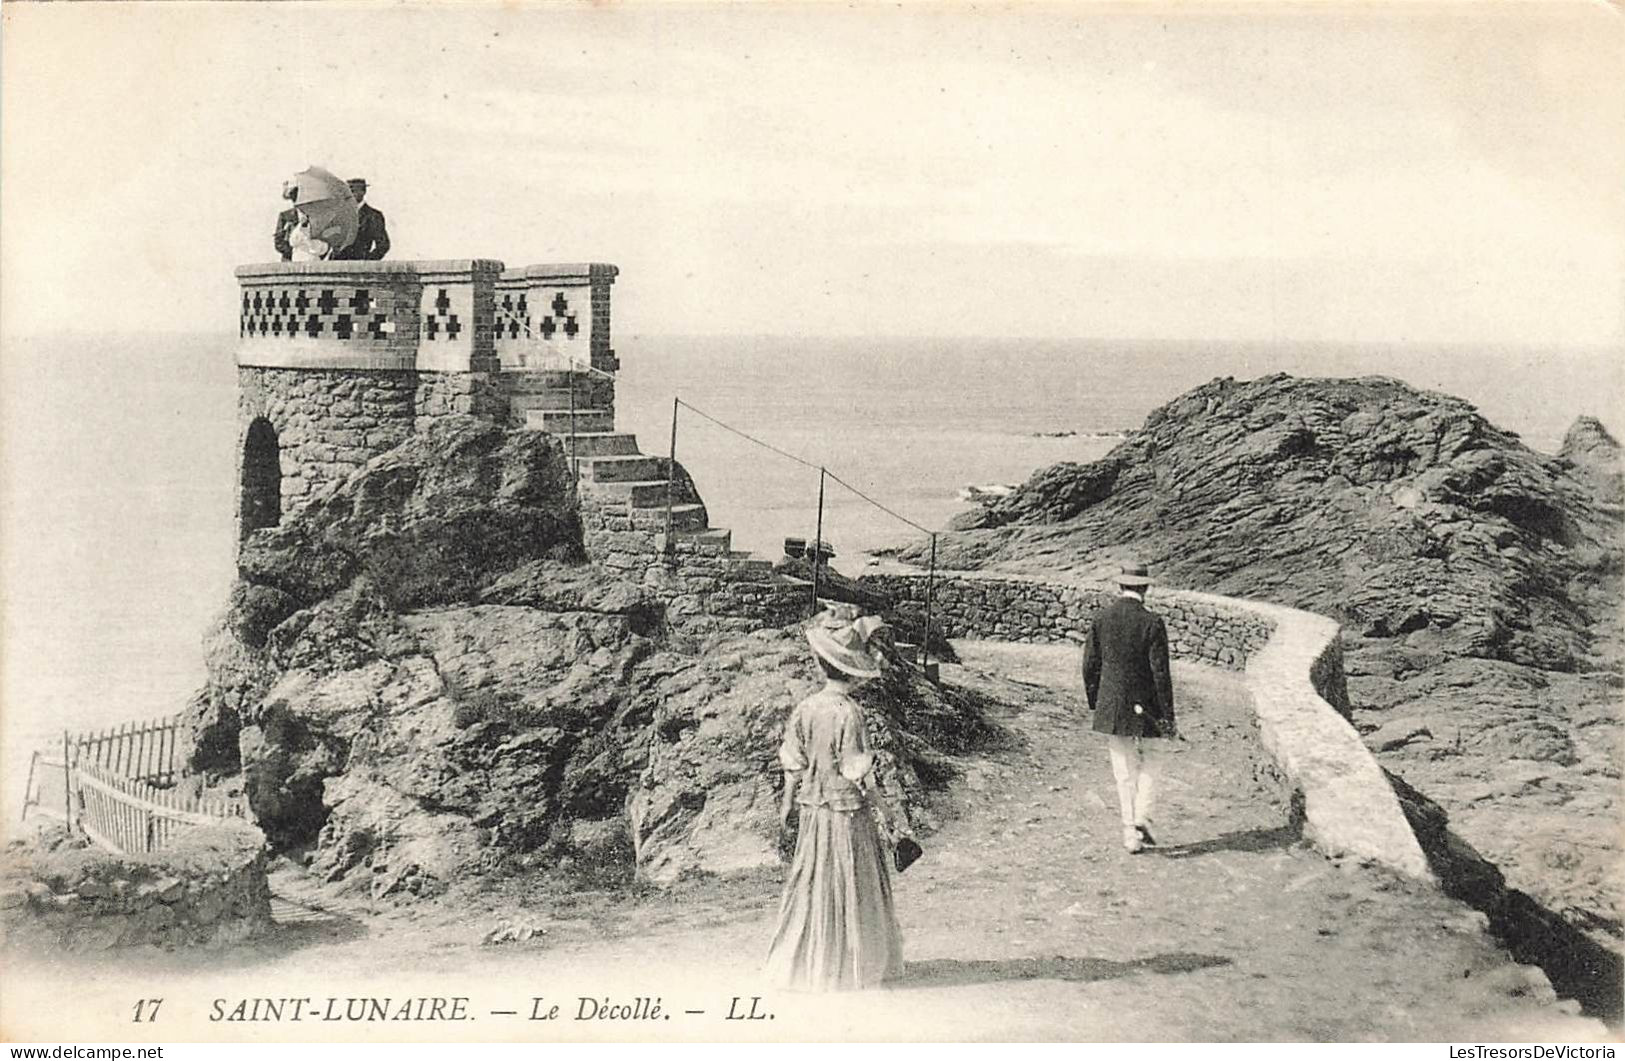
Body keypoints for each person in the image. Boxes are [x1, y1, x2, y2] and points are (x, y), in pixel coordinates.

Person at [765, 604, 907, 991]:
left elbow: (792, 763)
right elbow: (859, 774)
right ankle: (849, 963)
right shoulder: (850, 713)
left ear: (821, 664)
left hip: (813, 809)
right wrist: (888, 816)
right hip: (847, 814)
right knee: (850, 882)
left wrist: (786, 809)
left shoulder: (806, 708)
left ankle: (811, 962)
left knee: (814, 882)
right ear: (852, 668)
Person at [1081, 560, 1176, 853]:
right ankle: (1142, 816)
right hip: (1147, 704)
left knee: (1122, 769)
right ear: (1145, 588)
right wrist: (1168, 716)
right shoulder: (1152, 622)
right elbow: (1160, 673)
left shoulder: (1102, 619)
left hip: (1113, 704)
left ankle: (1129, 833)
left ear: (1120, 586)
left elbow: (1089, 666)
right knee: (1154, 758)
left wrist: (1096, 701)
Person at [331, 178, 390, 260]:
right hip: (337, 266)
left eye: (353, 191)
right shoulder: (339, 215)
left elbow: (383, 245)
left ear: (363, 192)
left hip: (359, 267)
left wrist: (368, 261)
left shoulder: (373, 215)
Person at [273, 186, 299, 261]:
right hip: (289, 260)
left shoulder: (312, 217)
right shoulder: (285, 216)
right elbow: (278, 242)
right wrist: (293, 251)